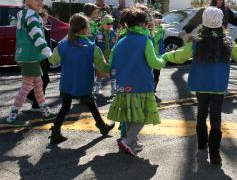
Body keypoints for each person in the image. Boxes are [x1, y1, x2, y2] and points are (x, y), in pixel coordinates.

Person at [163, 6, 237, 166]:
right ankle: (215, 154)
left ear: (203, 23)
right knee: (216, 118)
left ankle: (202, 143)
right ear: (221, 22)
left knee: (201, 113)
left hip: (200, 85)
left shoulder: (196, 41)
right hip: (218, 86)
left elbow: (179, 57)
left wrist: (166, 55)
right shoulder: (227, 42)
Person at [107, 8, 167, 157]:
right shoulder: (145, 40)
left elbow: (112, 61)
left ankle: (131, 142)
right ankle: (127, 140)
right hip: (141, 84)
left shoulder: (121, 40)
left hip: (123, 85)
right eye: (147, 22)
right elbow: (154, 63)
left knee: (129, 116)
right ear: (142, 24)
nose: (148, 25)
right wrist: (164, 59)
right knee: (142, 116)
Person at [48, 13, 115, 144]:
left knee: (65, 107)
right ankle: (102, 127)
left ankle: (56, 131)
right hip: (84, 84)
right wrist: (114, 61)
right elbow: (103, 68)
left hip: (66, 83)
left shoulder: (62, 45)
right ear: (84, 28)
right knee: (91, 104)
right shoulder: (92, 48)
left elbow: (53, 61)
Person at [4, 0, 55, 127]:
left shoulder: (24, 14)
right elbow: (37, 36)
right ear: (27, 0)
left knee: (38, 85)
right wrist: (49, 53)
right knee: (27, 87)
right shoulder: (32, 17)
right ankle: (11, 118)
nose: (40, 2)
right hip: (30, 57)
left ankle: (46, 113)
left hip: (26, 56)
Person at [26, 8, 51, 112]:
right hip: (38, 59)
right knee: (43, 80)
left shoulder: (43, 30)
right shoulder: (39, 30)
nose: (45, 22)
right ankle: (36, 103)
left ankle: (34, 99)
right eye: (44, 20)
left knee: (41, 81)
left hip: (41, 59)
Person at [94, 14, 117, 95]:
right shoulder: (97, 32)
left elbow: (115, 43)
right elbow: (95, 44)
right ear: (103, 23)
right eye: (108, 23)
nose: (110, 25)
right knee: (99, 72)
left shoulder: (113, 32)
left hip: (111, 55)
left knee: (113, 72)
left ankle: (113, 88)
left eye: (111, 23)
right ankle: (97, 88)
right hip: (100, 56)